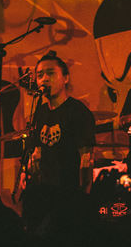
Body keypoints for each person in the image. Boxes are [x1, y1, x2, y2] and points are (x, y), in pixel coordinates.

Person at [20, 51, 96, 234]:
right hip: (44, 193)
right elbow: (37, 150)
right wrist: (26, 170)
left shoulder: (78, 111)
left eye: (51, 73)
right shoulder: (40, 112)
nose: (44, 79)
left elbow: (86, 157)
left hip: (68, 193)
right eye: (40, 75)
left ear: (66, 78)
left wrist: (84, 195)